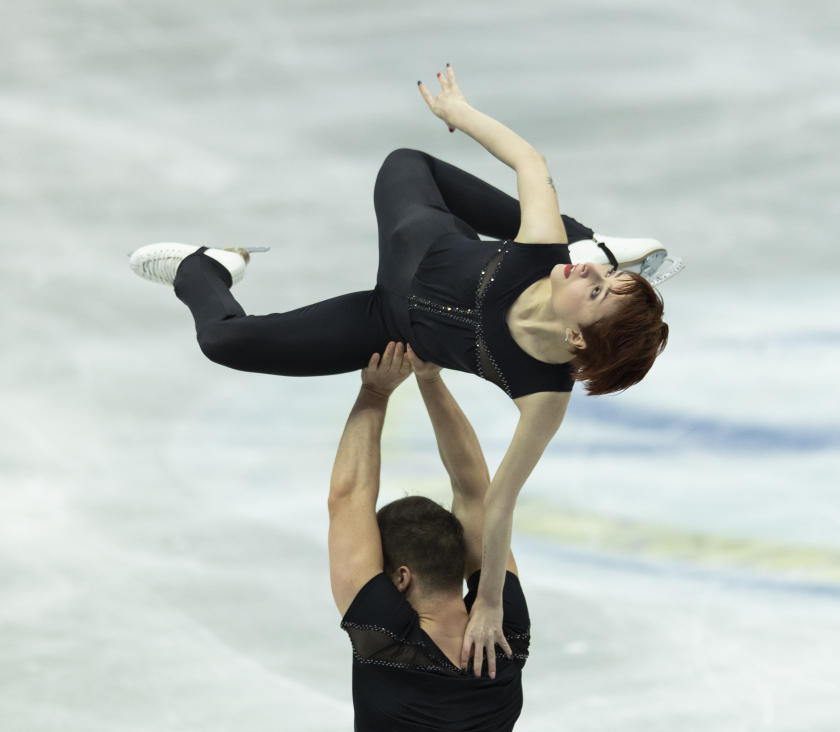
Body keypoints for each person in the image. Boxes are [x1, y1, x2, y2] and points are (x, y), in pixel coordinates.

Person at [129, 65, 672, 674]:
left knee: (227, 343)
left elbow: (495, 505)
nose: (588, 276)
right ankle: (591, 235)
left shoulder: (545, 394)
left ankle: (205, 266)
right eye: (602, 273)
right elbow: (530, 162)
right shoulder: (545, 250)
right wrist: (460, 115)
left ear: (576, 337)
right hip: (422, 241)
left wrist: (488, 601)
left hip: (388, 324)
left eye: (598, 286)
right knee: (403, 163)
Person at [328, 341, 530, 730]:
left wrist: (375, 392)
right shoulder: (505, 634)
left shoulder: (386, 641)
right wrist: (429, 377)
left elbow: (348, 498)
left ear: (402, 578)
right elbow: (475, 495)